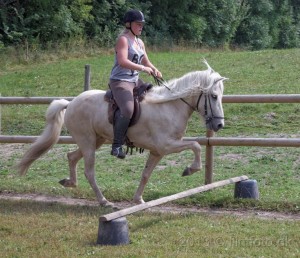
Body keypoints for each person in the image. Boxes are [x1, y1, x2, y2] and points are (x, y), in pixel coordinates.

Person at [109, 9, 162, 159]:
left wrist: (154, 69)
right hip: (120, 80)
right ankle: (117, 145)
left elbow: (146, 60)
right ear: (128, 24)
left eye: (142, 24)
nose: (141, 27)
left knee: (151, 97)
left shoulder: (139, 42)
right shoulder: (123, 40)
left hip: (134, 80)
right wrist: (143, 68)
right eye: (138, 24)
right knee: (127, 109)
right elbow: (122, 61)